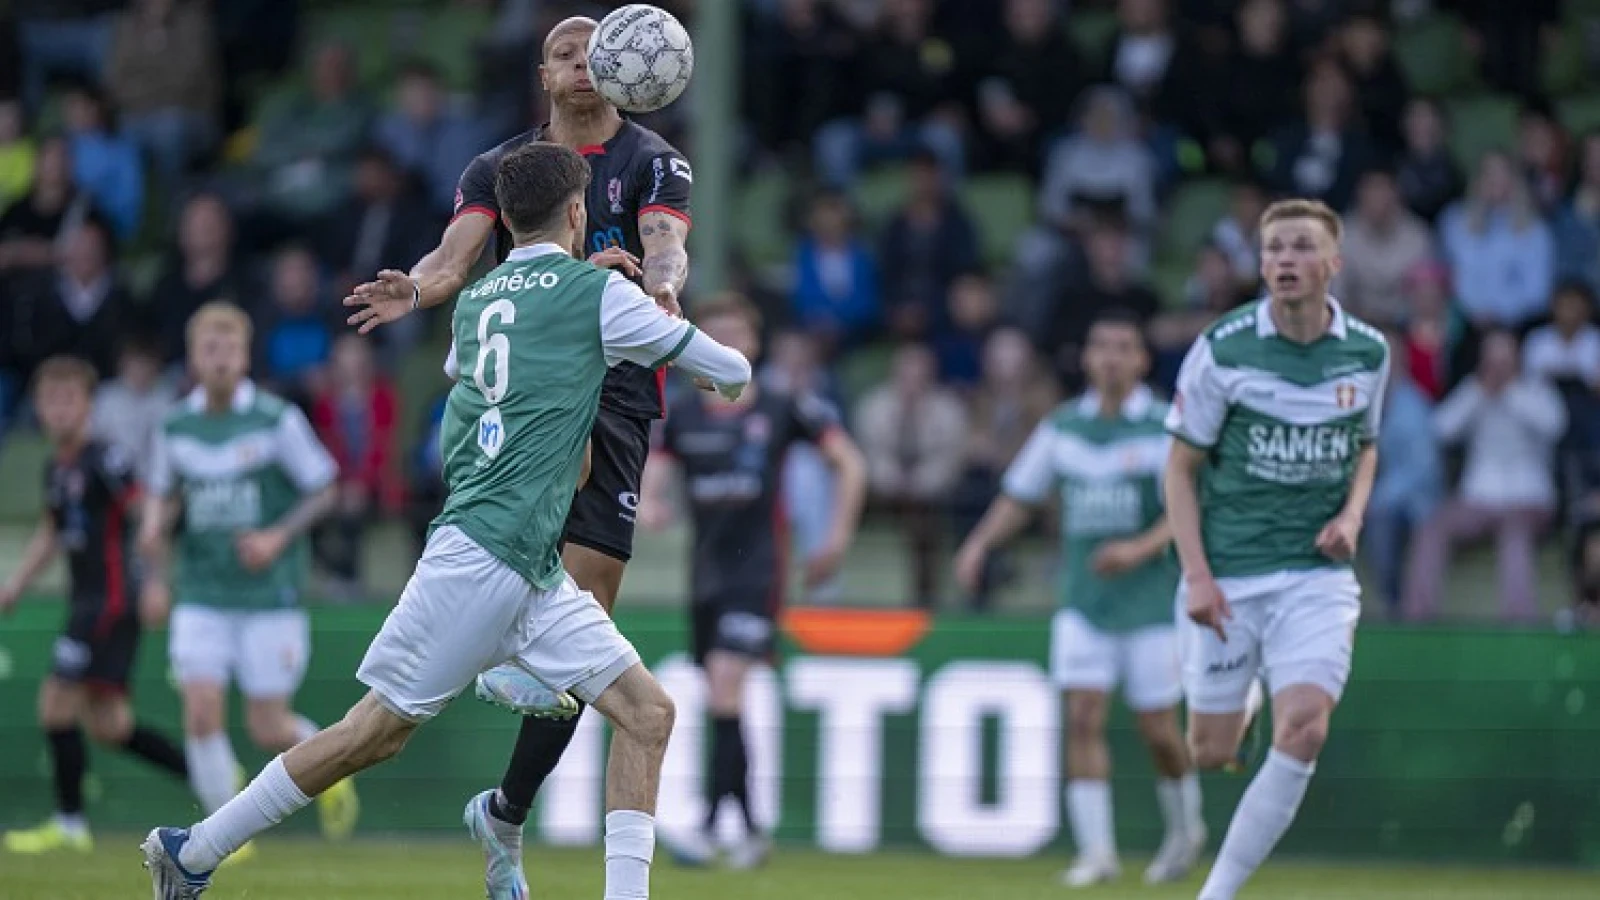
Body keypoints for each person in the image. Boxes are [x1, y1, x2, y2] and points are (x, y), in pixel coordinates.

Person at [143, 140, 753, 900]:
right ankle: (195, 848)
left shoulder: (478, 300)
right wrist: (652, 314)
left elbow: (483, 391)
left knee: (647, 713)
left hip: (527, 562)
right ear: (576, 213)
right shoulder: (598, 296)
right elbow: (729, 369)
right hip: (484, 557)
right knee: (372, 734)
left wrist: (587, 307)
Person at [343, 17, 693, 899]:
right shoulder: (502, 168)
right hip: (526, 395)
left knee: (590, 631)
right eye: (569, 53)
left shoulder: (656, 159)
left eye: (596, 52)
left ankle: (505, 809)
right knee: (558, 611)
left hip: (617, 397)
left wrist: (660, 285)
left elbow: (665, 240)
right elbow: (456, 256)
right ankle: (497, 644)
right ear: (544, 72)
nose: (585, 64)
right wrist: (416, 289)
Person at [1164, 198, 1390, 900]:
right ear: (1260, 265)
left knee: (1304, 729)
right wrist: (1197, 577)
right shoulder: (1223, 349)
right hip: (1229, 576)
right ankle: (1248, 694)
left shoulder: (1369, 352)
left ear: (1332, 264)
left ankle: (1216, 895)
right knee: (1212, 751)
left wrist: (1353, 515)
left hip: (1316, 577)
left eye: (1300, 248)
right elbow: (1178, 466)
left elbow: (1368, 445)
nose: (1285, 261)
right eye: (1273, 250)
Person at [955, 311, 1205, 887]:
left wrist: (1137, 551)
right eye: (1101, 347)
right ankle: (1097, 853)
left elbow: (1189, 508)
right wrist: (977, 546)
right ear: (1088, 359)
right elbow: (1020, 496)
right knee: (1083, 718)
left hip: (1150, 603)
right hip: (1084, 602)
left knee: (1159, 730)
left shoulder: (1165, 425)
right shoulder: (1064, 427)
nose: (1112, 357)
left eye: (1123, 347)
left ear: (1142, 359)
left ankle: (1184, 829)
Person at [638, 295, 866, 868]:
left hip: (759, 570)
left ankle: (713, 825)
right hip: (706, 575)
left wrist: (835, 540)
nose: (725, 345)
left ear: (754, 345)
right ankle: (750, 828)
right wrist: (650, 506)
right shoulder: (685, 414)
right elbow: (652, 478)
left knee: (724, 685)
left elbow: (850, 464)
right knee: (724, 699)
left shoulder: (786, 406)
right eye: (713, 336)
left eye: (735, 335)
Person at [137, 301, 359, 866]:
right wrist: (154, 565)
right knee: (201, 711)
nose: (219, 360)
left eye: (229, 349)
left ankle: (330, 774)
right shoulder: (174, 425)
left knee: (267, 724)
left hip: (270, 597)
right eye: (208, 349)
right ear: (192, 357)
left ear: (244, 357)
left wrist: (278, 538)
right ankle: (224, 838)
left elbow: (325, 489)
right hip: (202, 593)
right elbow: (161, 499)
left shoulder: (276, 419)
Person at [0, 356, 190, 854]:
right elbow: (51, 531)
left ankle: (68, 825)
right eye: (50, 401)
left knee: (54, 705)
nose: (59, 410)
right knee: (111, 727)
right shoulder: (56, 467)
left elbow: (145, 517)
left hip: (108, 601)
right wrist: (15, 583)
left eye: (69, 400)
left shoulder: (107, 459)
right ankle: (208, 772)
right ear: (38, 408)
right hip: (87, 601)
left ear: (87, 406)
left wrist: (155, 582)